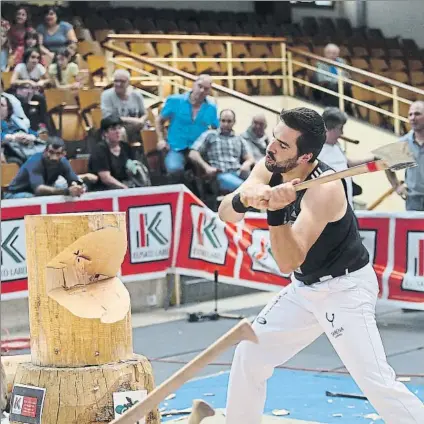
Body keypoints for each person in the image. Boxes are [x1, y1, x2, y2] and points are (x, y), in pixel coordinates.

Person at [218, 107, 424, 424]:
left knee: (376, 382)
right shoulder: (271, 163)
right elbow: (225, 213)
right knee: (250, 353)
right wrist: (248, 197)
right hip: (306, 288)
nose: (272, 147)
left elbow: (289, 258)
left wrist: (276, 214)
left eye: (284, 145)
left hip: (345, 289)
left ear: (305, 157)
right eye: (275, 139)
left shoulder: (325, 188)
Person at [155, 74, 219, 180]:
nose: (202, 90)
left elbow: (216, 128)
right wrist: (161, 139)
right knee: (174, 169)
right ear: (193, 85)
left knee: (216, 169)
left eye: (206, 88)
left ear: (209, 91)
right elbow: (159, 120)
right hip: (176, 147)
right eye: (200, 86)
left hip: (199, 150)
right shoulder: (174, 100)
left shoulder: (212, 108)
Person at [318, 107, 374, 206]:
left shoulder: (337, 146)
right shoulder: (316, 150)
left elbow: (347, 163)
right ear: (329, 128)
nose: (342, 133)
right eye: (340, 128)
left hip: (346, 204)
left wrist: (372, 159)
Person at [189, 109, 254, 192]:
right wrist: (206, 167)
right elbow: (192, 153)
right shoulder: (210, 135)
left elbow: (250, 158)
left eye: (229, 121)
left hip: (238, 172)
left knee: (259, 183)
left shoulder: (239, 139)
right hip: (220, 174)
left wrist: (246, 164)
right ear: (219, 121)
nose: (225, 124)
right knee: (244, 188)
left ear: (234, 122)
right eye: (223, 121)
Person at [4, 136, 85, 199]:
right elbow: (39, 189)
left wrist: (76, 187)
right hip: (15, 194)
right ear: (45, 151)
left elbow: (73, 180)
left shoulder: (63, 162)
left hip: (36, 192)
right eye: (51, 152)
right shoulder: (35, 161)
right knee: (35, 199)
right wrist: (66, 191)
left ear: (64, 154)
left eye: (58, 154)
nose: (54, 157)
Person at [385, 100, 424, 211]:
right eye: (410, 114)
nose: (412, 118)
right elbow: (387, 165)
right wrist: (396, 186)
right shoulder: (404, 143)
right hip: (413, 201)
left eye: (417, 114)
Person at [88, 115, 135, 190]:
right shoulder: (99, 150)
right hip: (104, 190)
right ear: (105, 133)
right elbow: (105, 178)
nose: (118, 132)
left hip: (124, 187)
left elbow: (133, 168)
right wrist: (124, 188)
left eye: (119, 128)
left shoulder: (126, 147)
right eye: (113, 129)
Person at [100, 69, 147, 143]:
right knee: (121, 132)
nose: (118, 84)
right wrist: (133, 120)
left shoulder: (137, 95)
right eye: (116, 81)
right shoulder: (106, 95)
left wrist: (141, 120)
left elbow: (144, 114)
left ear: (128, 83)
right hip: (115, 127)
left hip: (137, 127)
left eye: (122, 81)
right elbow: (108, 117)